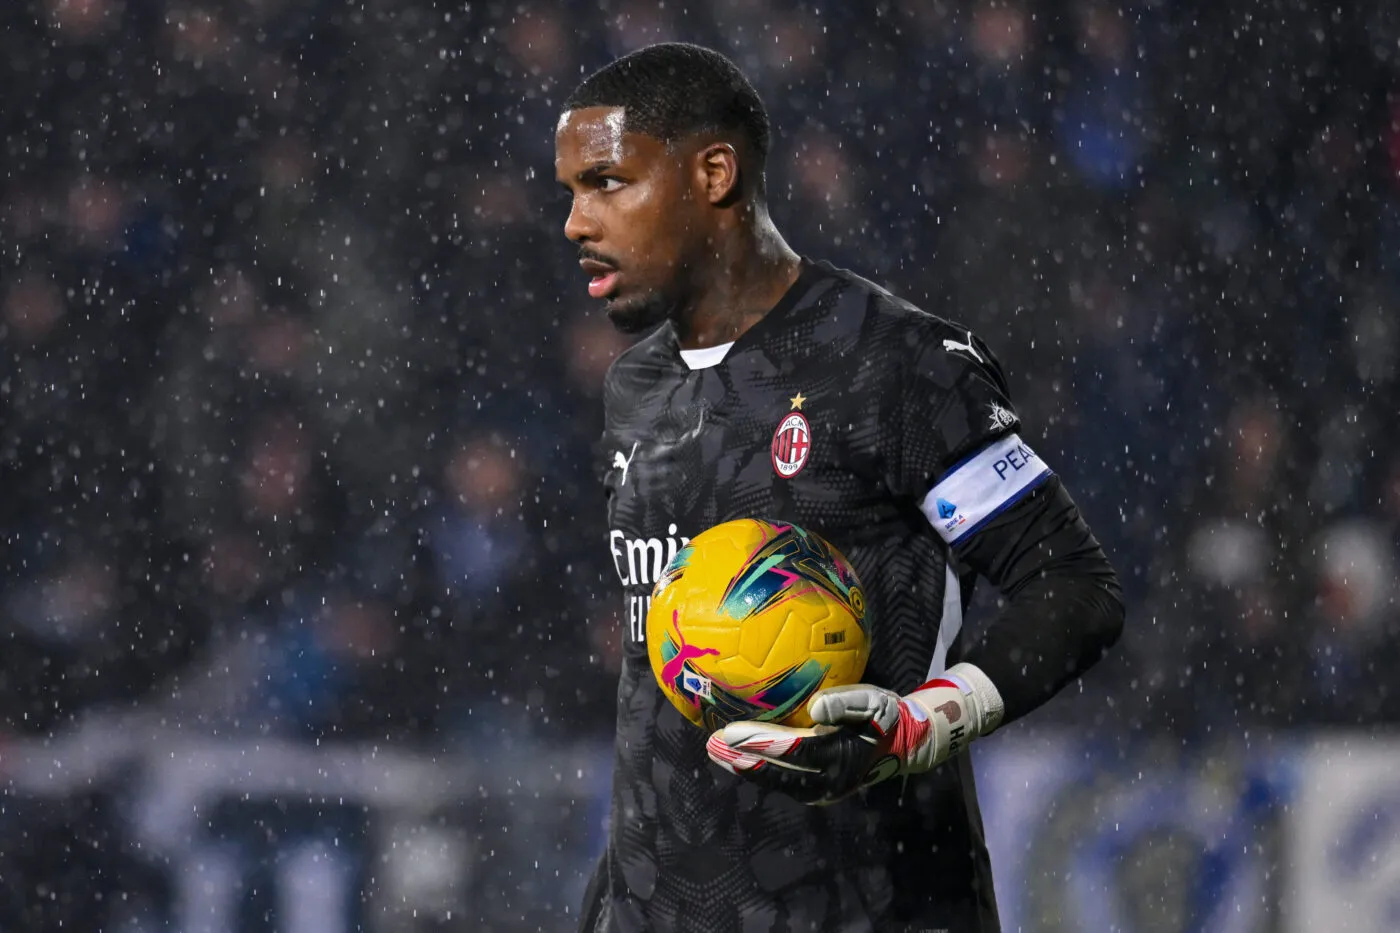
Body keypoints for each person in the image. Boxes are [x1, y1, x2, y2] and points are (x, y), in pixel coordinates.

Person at [554, 42, 1125, 933]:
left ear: (714, 174)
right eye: (570, 192)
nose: (574, 223)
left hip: (873, 903)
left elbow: (1074, 585)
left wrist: (924, 724)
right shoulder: (637, 388)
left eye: (605, 183)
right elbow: (658, 690)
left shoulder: (894, 364)